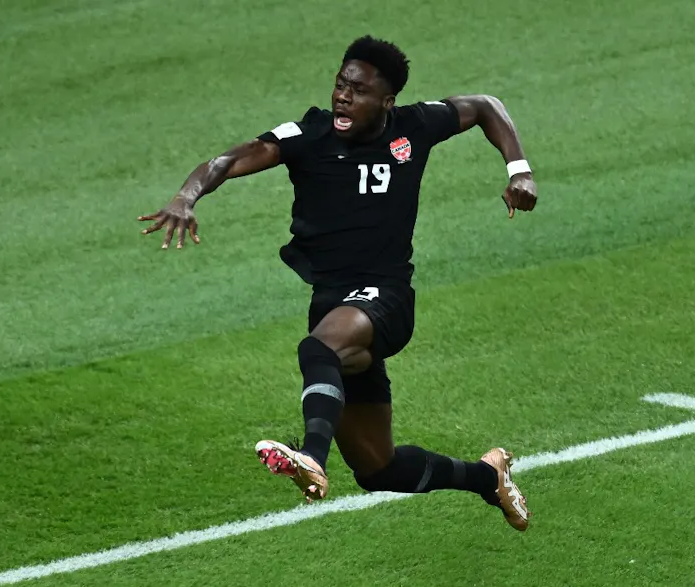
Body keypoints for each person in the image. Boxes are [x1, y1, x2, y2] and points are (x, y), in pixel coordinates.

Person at [139, 35, 536, 531]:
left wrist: (519, 170)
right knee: (377, 468)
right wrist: (186, 195)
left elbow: (484, 106)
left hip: (385, 297)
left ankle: (311, 458)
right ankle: (487, 477)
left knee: (319, 348)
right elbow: (229, 159)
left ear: (386, 102)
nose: (343, 96)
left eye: (359, 90)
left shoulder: (413, 127)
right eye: (340, 84)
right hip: (333, 302)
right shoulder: (310, 136)